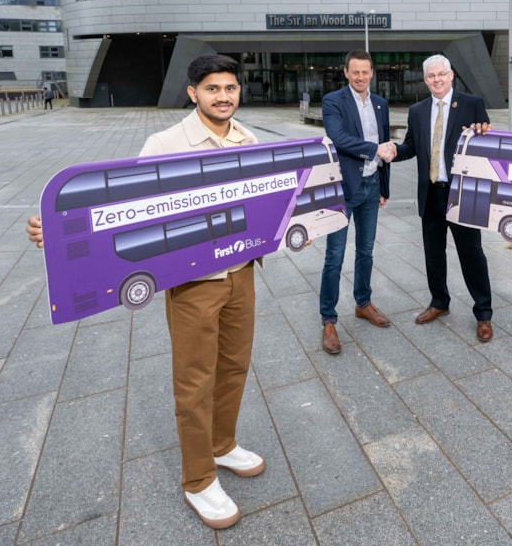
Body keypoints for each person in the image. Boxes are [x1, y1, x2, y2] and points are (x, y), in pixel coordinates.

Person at [25, 54, 265, 530]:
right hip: (194, 282)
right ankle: (198, 480)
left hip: (242, 272)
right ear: (193, 93)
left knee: (235, 366)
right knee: (196, 379)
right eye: (213, 88)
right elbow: (126, 208)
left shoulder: (247, 138)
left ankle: (222, 444)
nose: (223, 97)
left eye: (230, 88)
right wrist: (58, 230)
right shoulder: (165, 142)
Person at [386, 55, 494, 341]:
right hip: (431, 191)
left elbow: (485, 145)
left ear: (451, 75)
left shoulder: (472, 104)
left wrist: (484, 132)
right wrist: (395, 151)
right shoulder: (418, 110)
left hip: (462, 194)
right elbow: (411, 145)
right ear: (425, 80)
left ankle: (483, 312)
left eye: (441, 74)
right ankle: (439, 302)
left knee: (471, 254)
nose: (436, 79)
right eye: (431, 76)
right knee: (433, 253)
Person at [318, 49, 394, 355]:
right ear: (346, 73)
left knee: (366, 251)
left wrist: (384, 187)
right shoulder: (333, 101)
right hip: (343, 189)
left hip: (371, 185)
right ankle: (328, 319)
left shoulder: (380, 103)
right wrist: (375, 149)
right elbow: (338, 138)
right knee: (334, 256)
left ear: (372, 72)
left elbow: (387, 144)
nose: (361, 77)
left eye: (366, 71)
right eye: (355, 72)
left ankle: (363, 303)